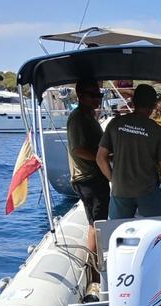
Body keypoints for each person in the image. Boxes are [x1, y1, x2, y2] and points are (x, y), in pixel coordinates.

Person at [96, 84, 161, 219]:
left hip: (120, 191)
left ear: (133, 102)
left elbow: (100, 158)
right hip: (147, 191)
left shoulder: (115, 123)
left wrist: (114, 180)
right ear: (153, 104)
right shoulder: (158, 131)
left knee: (116, 231)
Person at [66, 79, 109, 256]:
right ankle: (94, 272)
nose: (97, 99)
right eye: (93, 95)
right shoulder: (78, 118)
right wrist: (102, 158)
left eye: (99, 95)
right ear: (81, 96)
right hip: (88, 178)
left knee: (99, 222)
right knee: (97, 225)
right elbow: (78, 150)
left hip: (95, 177)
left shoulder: (88, 116)